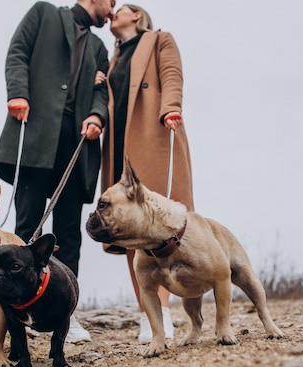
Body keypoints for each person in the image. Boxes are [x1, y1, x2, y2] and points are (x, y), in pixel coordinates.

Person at [0, 0, 116, 343]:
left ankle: (66, 312)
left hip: (77, 141)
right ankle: (16, 311)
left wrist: (97, 115)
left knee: (68, 233)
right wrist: (17, 93)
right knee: (27, 224)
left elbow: (101, 91)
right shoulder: (43, 13)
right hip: (36, 132)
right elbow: (17, 52)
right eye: (110, 3)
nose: (111, 11)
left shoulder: (99, 47)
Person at [100, 4, 195, 342]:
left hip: (154, 134)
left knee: (159, 222)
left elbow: (171, 74)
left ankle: (165, 311)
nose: (112, 12)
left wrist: (171, 107)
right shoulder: (113, 60)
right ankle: (148, 312)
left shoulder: (158, 40)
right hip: (119, 148)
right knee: (127, 228)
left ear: (136, 16)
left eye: (119, 8)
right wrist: (100, 82)